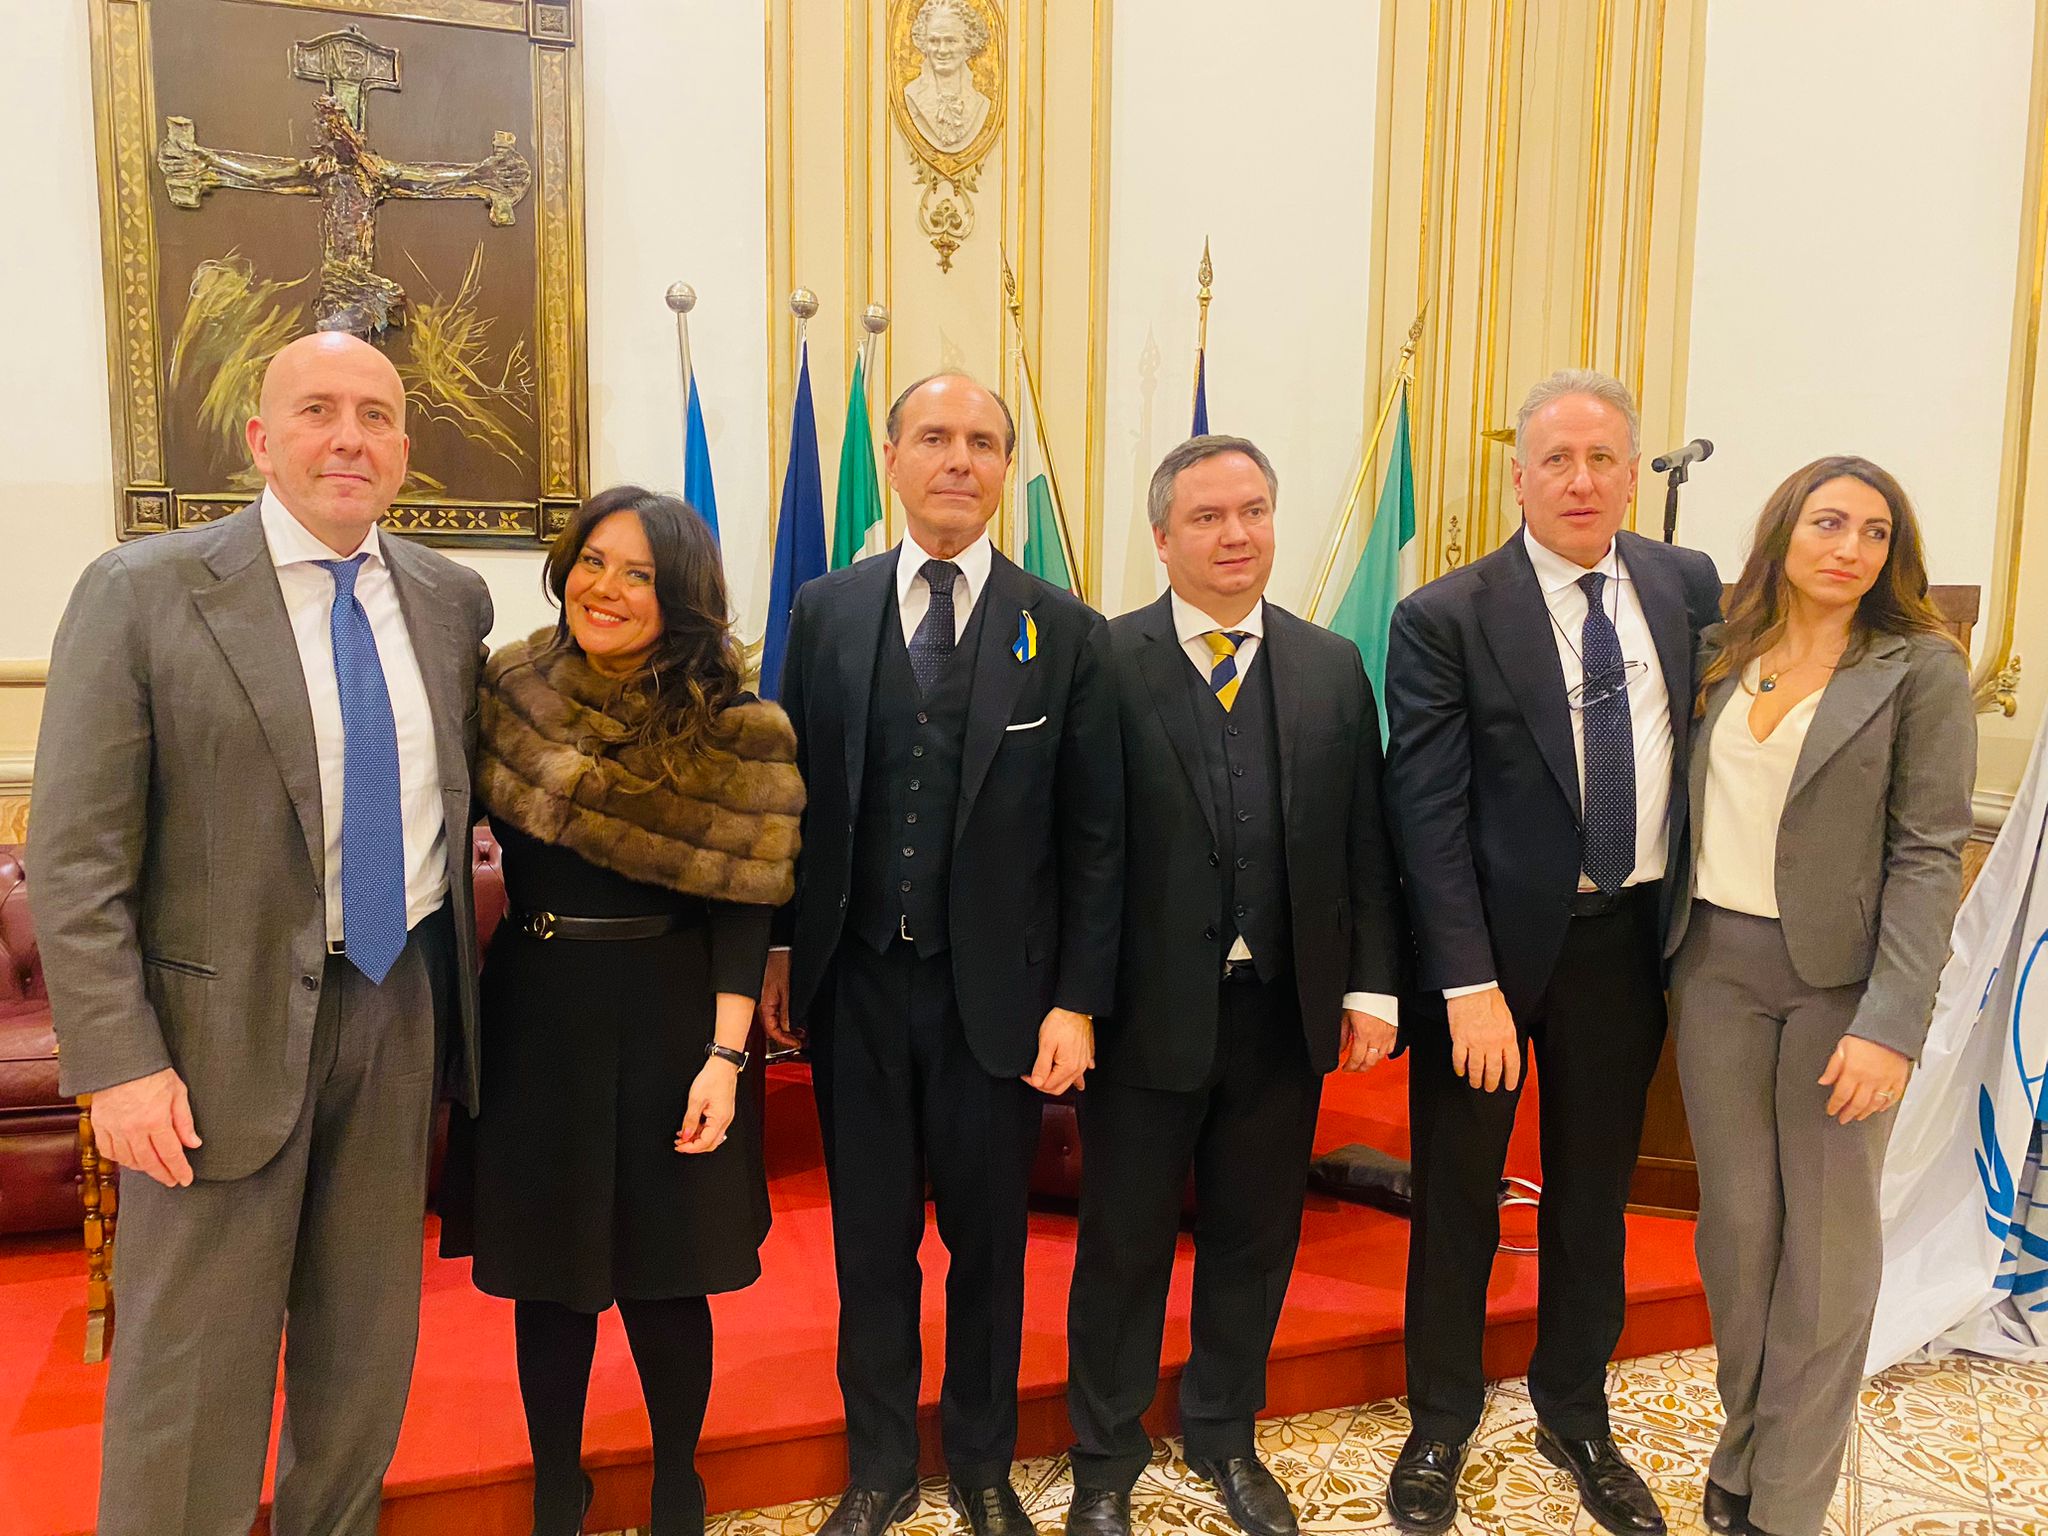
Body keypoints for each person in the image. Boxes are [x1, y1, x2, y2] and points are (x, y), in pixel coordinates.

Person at [32, 331, 494, 1536]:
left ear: (404, 449)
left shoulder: (449, 601)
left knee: (363, 1355)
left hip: (398, 1009)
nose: (349, 437)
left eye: (376, 415)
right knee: (192, 1369)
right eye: (317, 410)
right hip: (207, 1040)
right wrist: (118, 1064)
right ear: (259, 439)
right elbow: (75, 858)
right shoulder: (141, 591)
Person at [756, 373, 1123, 1536]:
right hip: (856, 983)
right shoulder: (823, 610)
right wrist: (779, 946)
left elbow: (1093, 837)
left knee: (988, 1249)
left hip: (996, 1000)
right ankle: (877, 1467)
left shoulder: (1060, 628)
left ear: (1005, 466)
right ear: (893, 455)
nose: (957, 458)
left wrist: (1075, 1001)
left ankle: (980, 1464)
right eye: (933, 436)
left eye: (980, 441)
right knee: (870, 1247)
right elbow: (786, 796)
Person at [1382, 369, 1722, 1536]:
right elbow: (1425, 814)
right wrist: (1465, 982)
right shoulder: (1445, 614)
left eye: (1601, 458)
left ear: (1630, 472)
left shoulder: (1685, 585)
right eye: (1556, 460)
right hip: (1485, 957)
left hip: (1622, 945)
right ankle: (1438, 1418)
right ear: (1516, 476)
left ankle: (1574, 1412)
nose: (1580, 481)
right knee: (1459, 1197)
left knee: (1589, 1195)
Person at [439, 487, 804, 1536]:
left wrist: (725, 1061)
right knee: (546, 1280)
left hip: (672, 1015)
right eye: (594, 560)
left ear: (680, 594)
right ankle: (558, 1487)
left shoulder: (738, 727)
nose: (607, 588)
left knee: (666, 1276)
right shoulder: (509, 690)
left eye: (639, 573)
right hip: (534, 1012)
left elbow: (745, 910)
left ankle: (678, 1483)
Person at [1062, 436, 1406, 1536]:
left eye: (1253, 510)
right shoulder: (1103, 659)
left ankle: (1223, 1432)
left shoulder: (1329, 665)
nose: (1235, 534)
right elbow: (1074, 847)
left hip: (1281, 1015)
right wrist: (1070, 1000)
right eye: (1207, 516)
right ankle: (1104, 1455)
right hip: (1142, 1015)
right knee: (1122, 1246)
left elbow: (1365, 840)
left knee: (1255, 1241)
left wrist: (1372, 988)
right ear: (1162, 538)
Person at [1665, 458, 1973, 1536]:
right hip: (1713, 969)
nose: (1849, 548)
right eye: (1829, 523)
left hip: (1842, 987)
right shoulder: (1719, 652)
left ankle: (1787, 1499)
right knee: (1738, 1232)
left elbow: (1928, 854)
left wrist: (1892, 1024)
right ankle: (1746, 1441)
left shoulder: (1918, 668)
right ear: (1783, 533)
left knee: (1828, 1245)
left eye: (1874, 532)